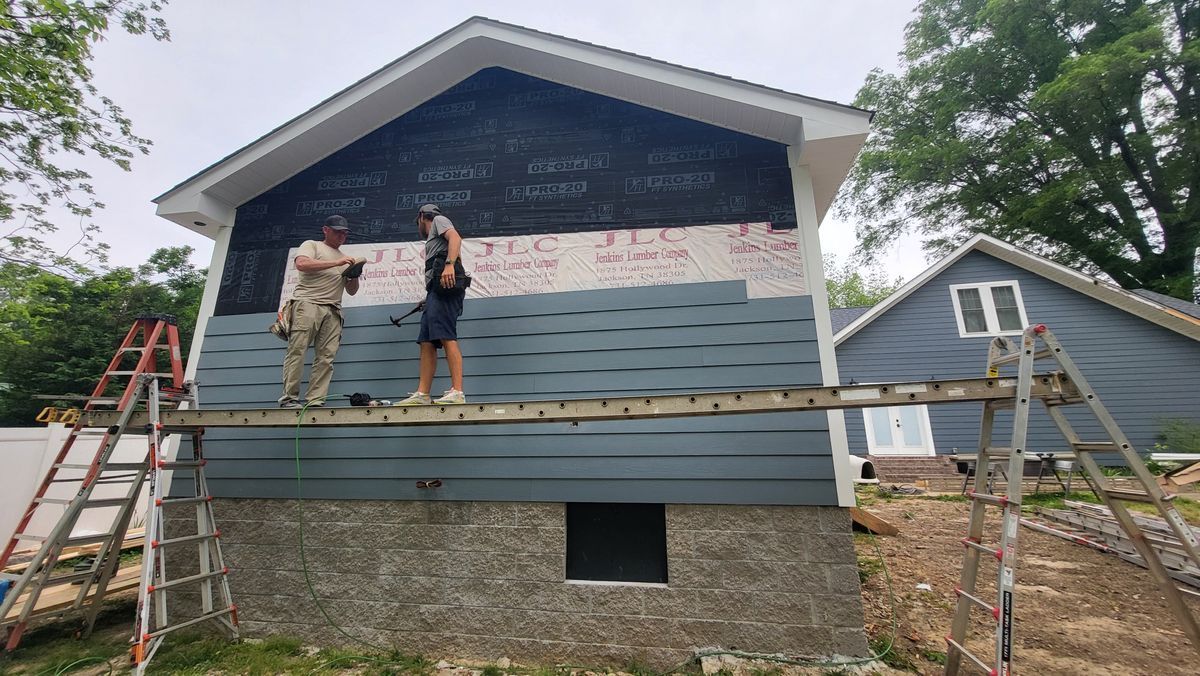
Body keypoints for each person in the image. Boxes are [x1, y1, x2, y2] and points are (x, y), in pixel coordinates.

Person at [278, 214, 366, 408]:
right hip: (307, 304)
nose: (341, 236)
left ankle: (315, 400)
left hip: (333, 310)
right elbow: (302, 264)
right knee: (297, 351)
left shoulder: (345, 258)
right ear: (326, 230)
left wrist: (355, 274)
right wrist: (336, 263)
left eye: (344, 233)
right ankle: (289, 398)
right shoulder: (312, 245)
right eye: (337, 232)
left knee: (326, 357)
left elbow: (351, 291)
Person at [395, 204, 467, 405]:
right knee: (426, 341)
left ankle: (457, 392)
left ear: (421, 217)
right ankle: (423, 394)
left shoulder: (438, 220)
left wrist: (450, 265)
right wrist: (429, 297)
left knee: (446, 335)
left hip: (445, 289)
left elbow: (455, 238)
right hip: (435, 291)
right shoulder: (433, 239)